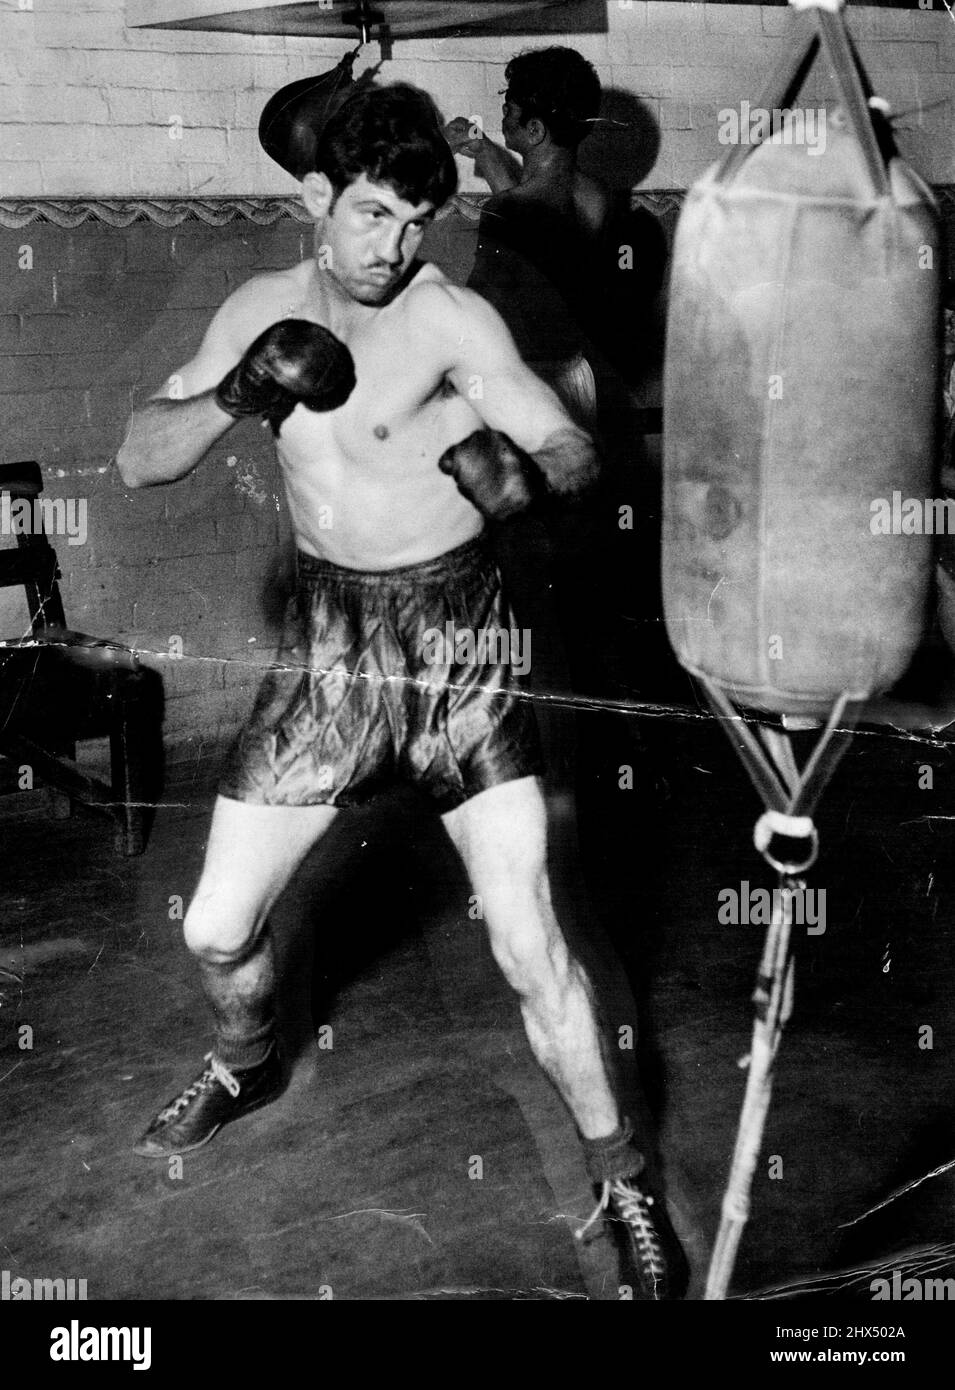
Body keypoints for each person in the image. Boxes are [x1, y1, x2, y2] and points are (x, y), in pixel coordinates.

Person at [116, 80, 686, 1301]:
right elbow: (134, 457)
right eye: (374, 215)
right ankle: (244, 1055)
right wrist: (233, 400)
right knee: (217, 929)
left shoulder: (452, 321)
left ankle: (621, 1175)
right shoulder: (259, 310)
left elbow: (575, 444)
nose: (395, 247)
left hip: (462, 644)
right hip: (331, 646)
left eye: (418, 222)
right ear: (316, 200)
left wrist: (522, 478)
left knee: (533, 946)